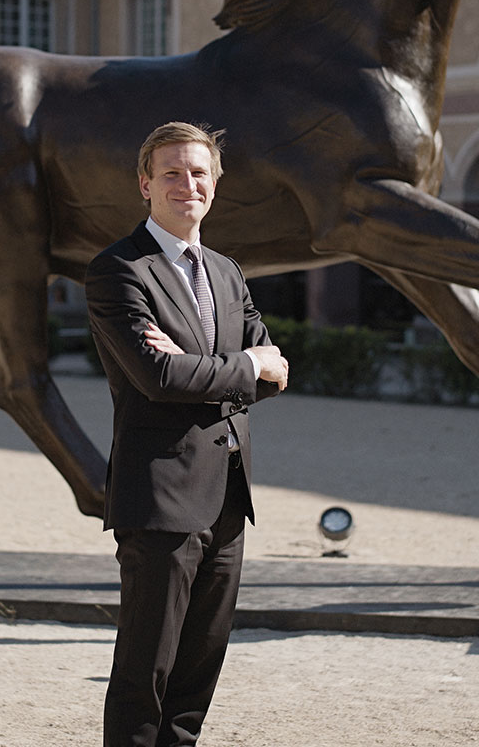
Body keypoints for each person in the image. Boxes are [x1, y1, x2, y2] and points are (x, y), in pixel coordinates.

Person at [85, 121, 288, 747]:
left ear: (215, 188)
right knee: (146, 671)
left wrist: (209, 367)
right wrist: (238, 368)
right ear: (145, 184)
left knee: (199, 669)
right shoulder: (118, 270)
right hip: (161, 496)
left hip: (229, 494)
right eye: (171, 172)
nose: (187, 184)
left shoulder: (227, 272)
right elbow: (157, 377)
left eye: (198, 173)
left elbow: (275, 368)